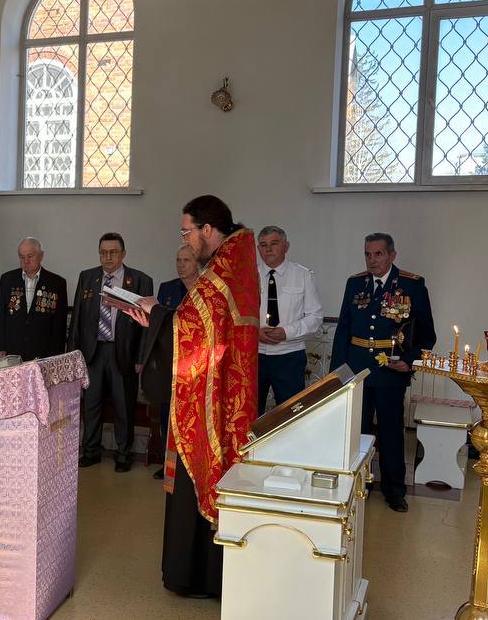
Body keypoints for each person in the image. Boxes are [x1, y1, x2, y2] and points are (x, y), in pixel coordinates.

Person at [126, 196, 258, 598]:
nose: (185, 239)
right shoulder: (233, 262)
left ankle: (195, 575)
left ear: (207, 229)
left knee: (200, 471)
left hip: (211, 400)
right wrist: (159, 314)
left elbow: (195, 330)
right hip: (220, 389)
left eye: (187, 232)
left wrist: (155, 312)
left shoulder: (222, 271)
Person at [330, 232, 436, 513]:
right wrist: (337, 374)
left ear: (392, 255)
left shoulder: (411, 285)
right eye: (368, 254)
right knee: (357, 431)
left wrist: (410, 361)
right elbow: (343, 331)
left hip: (390, 371)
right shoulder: (355, 283)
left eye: (378, 254)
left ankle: (394, 490)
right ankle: (358, 485)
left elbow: (427, 335)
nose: (372, 260)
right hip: (357, 370)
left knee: (391, 433)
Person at [70, 232, 153, 472]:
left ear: (123, 254)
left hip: (123, 353)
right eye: (103, 252)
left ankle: (124, 454)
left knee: (123, 405)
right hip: (93, 352)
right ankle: (91, 451)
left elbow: (146, 326)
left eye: (113, 252)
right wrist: (74, 356)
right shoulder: (87, 277)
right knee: (91, 405)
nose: (108, 257)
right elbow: (77, 319)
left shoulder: (140, 280)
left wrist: (141, 358)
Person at [145, 245, 202, 478]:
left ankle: (191, 464)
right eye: (178, 260)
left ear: (197, 263)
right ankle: (168, 464)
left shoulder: (205, 289)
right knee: (168, 413)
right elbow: (157, 327)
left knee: (193, 416)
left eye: (186, 260)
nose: (180, 265)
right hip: (170, 361)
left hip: (198, 363)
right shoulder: (167, 288)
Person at [256, 225, 323, 414]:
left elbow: (315, 317)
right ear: (258, 249)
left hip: (289, 356)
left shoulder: (302, 275)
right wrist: (254, 333)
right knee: (250, 415)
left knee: (290, 415)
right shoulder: (248, 276)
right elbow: (237, 317)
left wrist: (286, 332)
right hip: (254, 356)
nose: (268, 249)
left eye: (274, 243)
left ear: (286, 246)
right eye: (263, 245)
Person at [0, 236, 68, 361]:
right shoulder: (7, 279)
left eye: (30, 256)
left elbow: (59, 323)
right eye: (21, 257)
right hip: (12, 350)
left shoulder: (56, 283)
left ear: (41, 256)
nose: (25, 261)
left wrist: (57, 354)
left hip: (43, 351)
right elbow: (1, 316)